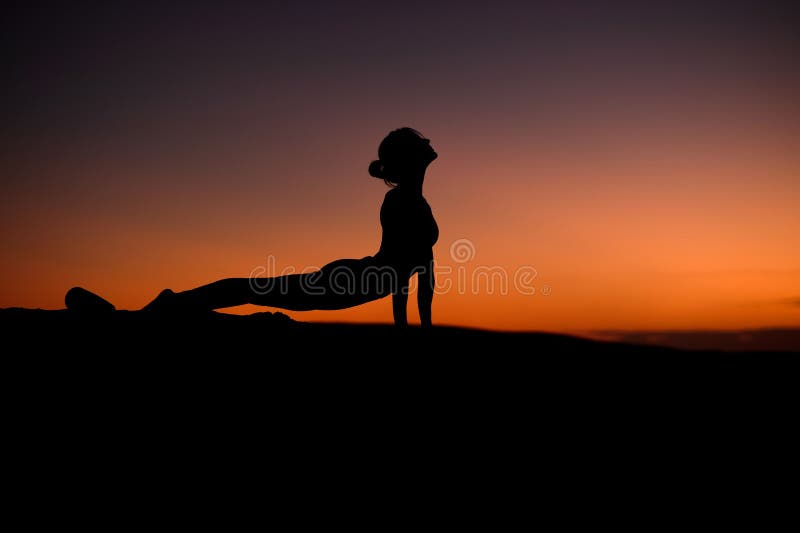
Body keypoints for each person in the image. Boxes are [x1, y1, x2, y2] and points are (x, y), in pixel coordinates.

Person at [140, 127, 439, 327]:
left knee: (261, 290)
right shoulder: (399, 201)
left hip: (362, 282)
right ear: (412, 158)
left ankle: (175, 303)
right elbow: (402, 274)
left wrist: (420, 329)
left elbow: (423, 274)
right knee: (259, 289)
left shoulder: (418, 203)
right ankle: (173, 303)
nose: (428, 142)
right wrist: (408, 331)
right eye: (420, 141)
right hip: (353, 281)